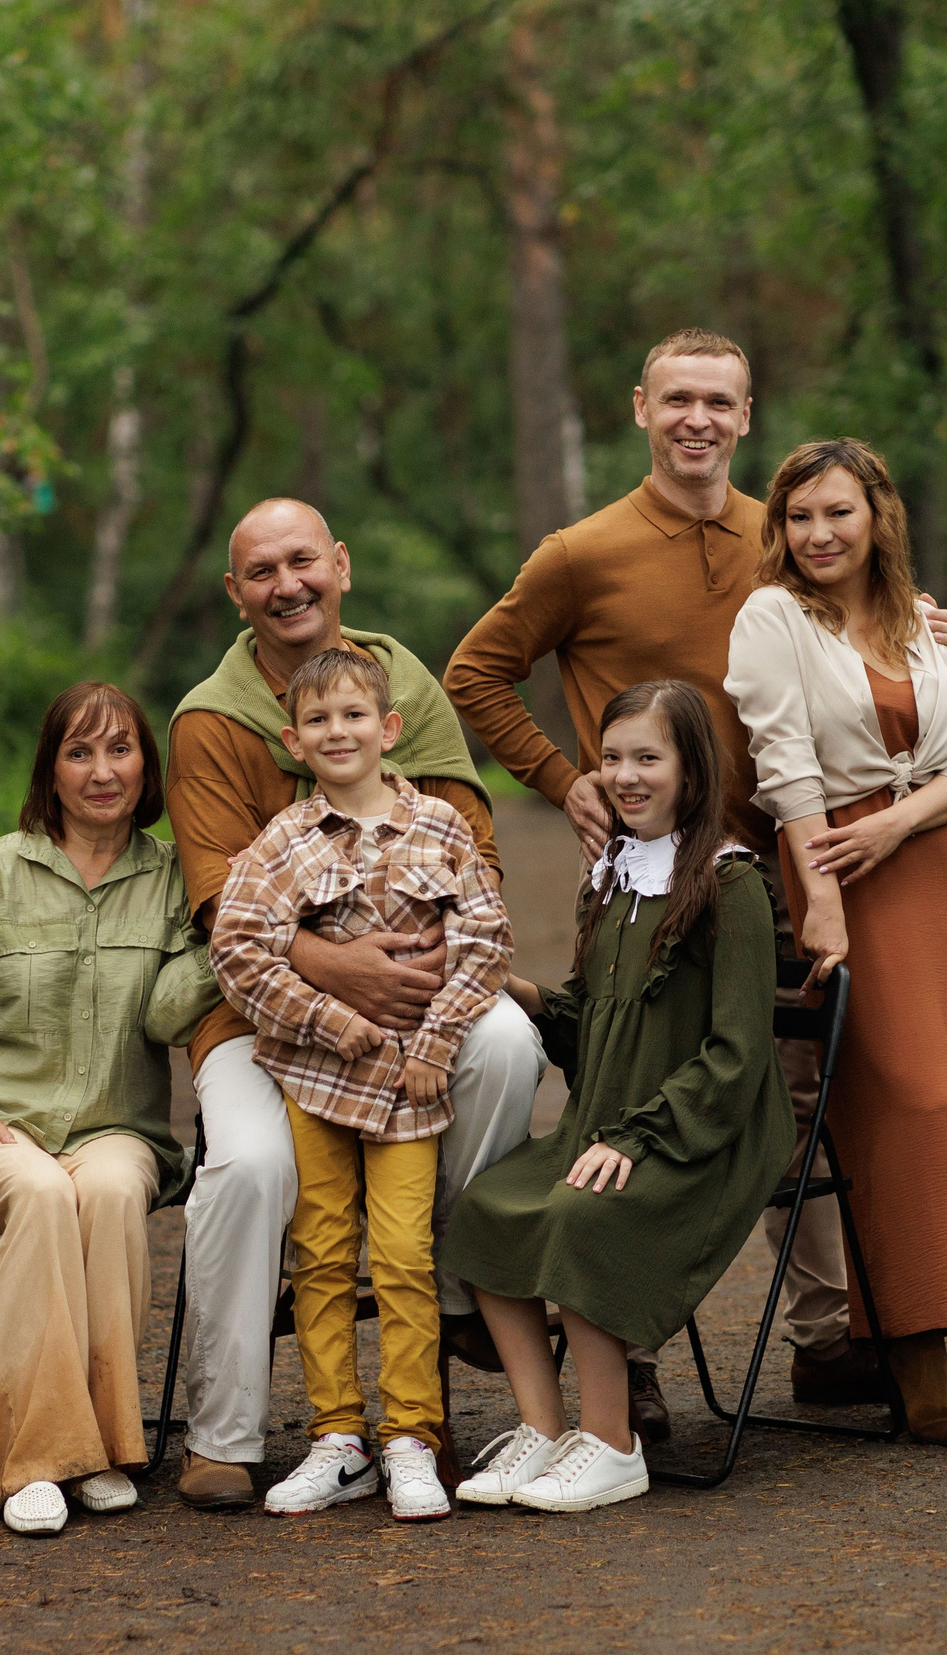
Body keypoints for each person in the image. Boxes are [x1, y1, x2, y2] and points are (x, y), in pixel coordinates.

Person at [443, 328, 947, 1428]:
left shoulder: (784, 539)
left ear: (744, 416)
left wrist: (921, 634)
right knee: (632, 1086)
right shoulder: (579, 552)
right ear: (640, 407)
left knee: (802, 1098)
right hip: (643, 883)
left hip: (786, 858)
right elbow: (475, 671)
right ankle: (617, 1352)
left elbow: (860, 616)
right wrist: (562, 778)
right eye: (675, 398)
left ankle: (830, 1337)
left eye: (717, 402)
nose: (696, 418)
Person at [162, 496, 546, 1511]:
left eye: (302, 561)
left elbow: (474, 849)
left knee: (506, 1041)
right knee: (250, 1165)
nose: (286, 583)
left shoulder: (399, 679)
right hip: (262, 1015)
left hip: (417, 1004)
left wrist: (420, 978)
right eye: (260, 570)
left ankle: (459, 1278)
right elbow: (220, 911)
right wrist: (342, 974)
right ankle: (228, 1429)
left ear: (339, 564)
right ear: (235, 592)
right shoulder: (211, 720)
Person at [723, 437, 947, 1451]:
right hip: (845, 874)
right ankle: (908, 1360)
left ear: (876, 517)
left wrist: (901, 820)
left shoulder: (915, 620)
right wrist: (821, 899)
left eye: (835, 513)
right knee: (904, 1102)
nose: (815, 534)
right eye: (797, 516)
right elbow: (784, 765)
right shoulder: (771, 617)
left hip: (939, 870)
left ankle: (934, 1345)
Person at [444, 681, 795, 1513]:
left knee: (582, 1214)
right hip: (601, 1122)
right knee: (484, 1208)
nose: (627, 776)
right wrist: (521, 993)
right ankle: (546, 1428)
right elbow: (594, 1026)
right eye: (612, 758)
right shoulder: (609, 875)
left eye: (649, 758)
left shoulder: (729, 882)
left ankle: (612, 1445)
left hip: (706, 1133)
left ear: (693, 769)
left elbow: (738, 1053)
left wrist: (639, 1137)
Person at [0, 684, 213, 1536]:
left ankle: (100, 1446)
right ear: (51, 770)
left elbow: (166, 1017)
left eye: (120, 751)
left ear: (148, 767)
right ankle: (45, 1462)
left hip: (116, 1130)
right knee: (35, 1193)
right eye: (79, 753)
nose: (101, 772)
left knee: (103, 1192)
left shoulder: (178, 882)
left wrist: (230, 940)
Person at [209, 650, 514, 1523]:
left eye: (353, 717)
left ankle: (411, 1436)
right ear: (293, 740)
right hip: (314, 1079)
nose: (337, 732)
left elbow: (486, 942)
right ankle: (338, 1438)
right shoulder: (283, 843)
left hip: (414, 1086)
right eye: (318, 721)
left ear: (390, 730)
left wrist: (439, 1037)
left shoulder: (442, 828)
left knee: (408, 1256)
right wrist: (339, 1024)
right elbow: (238, 952)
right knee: (321, 1259)